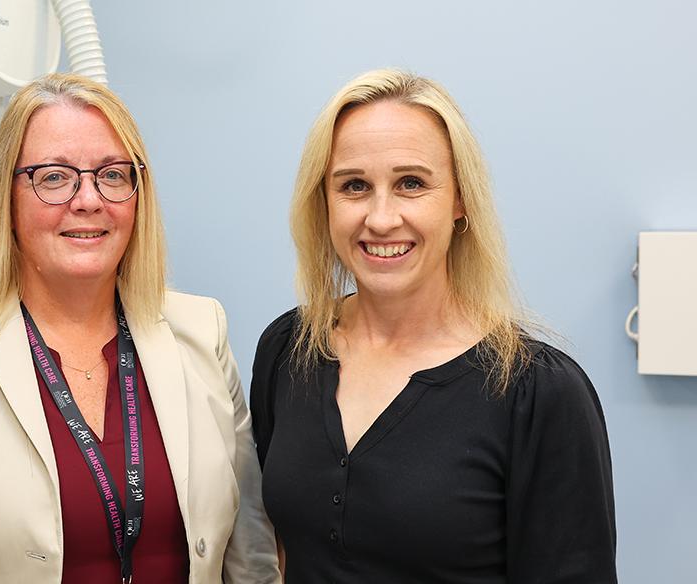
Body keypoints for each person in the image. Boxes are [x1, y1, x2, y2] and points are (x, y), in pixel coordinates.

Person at [0, 73, 279, 584]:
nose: (88, 199)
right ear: (6, 199)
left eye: (112, 175)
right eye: (54, 177)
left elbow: (251, 560)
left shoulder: (201, 332)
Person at [250, 69, 617, 583]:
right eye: (354, 186)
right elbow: (284, 550)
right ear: (325, 203)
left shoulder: (537, 393)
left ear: (460, 201)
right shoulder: (290, 350)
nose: (381, 219)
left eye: (411, 184)